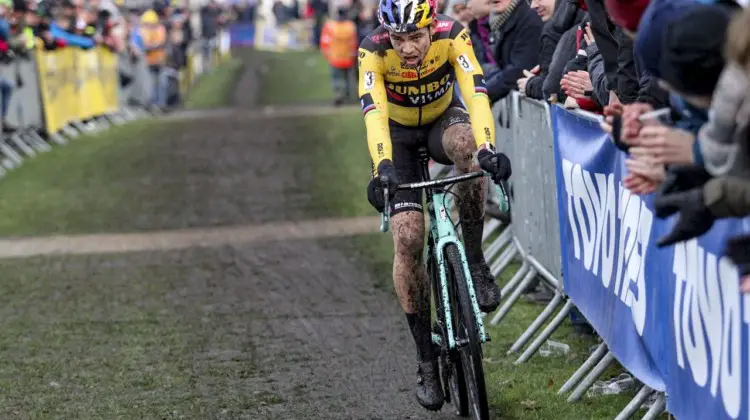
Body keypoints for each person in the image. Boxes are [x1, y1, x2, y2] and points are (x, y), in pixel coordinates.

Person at [358, 0, 511, 411]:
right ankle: (426, 359)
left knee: (468, 151)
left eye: (415, 37)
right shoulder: (372, 50)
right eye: (399, 39)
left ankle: (475, 262)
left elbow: (476, 92)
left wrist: (488, 148)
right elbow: (373, 110)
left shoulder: (452, 34)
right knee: (408, 236)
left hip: (444, 122)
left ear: (431, 27)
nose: (407, 49)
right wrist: (382, 168)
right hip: (398, 138)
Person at [319, 7, 358, 105]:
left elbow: (325, 41)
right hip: (349, 57)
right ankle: (349, 97)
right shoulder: (350, 26)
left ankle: (339, 95)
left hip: (335, 57)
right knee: (348, 78)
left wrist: (326, 54)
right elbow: (354, 42)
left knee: (337, 79)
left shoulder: (330, 26)